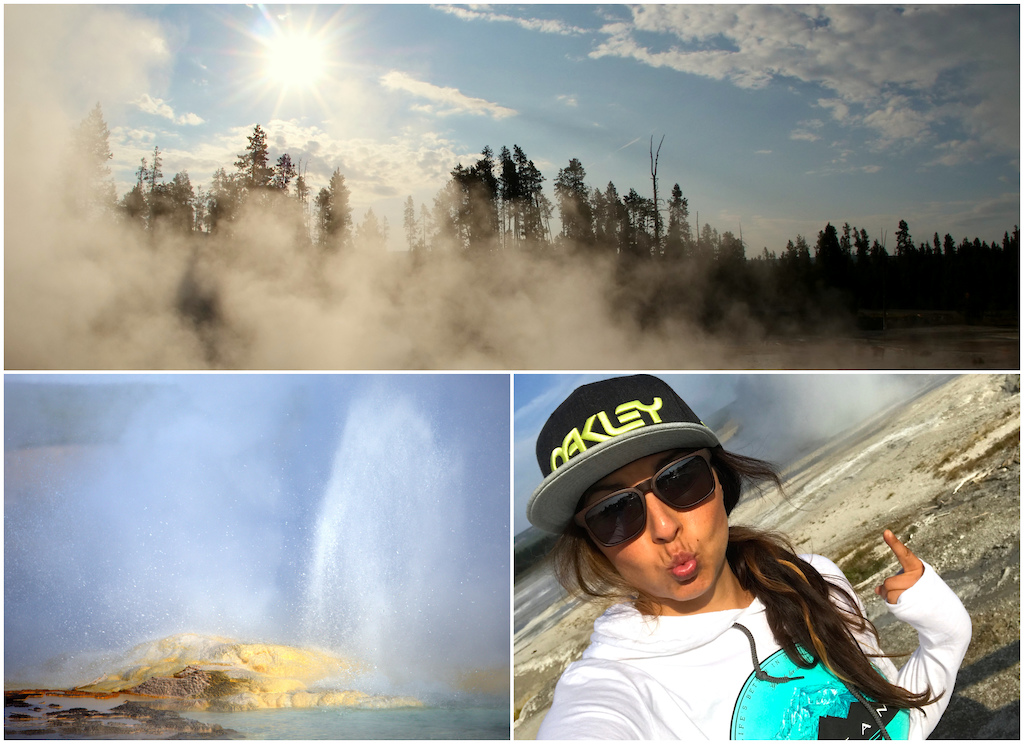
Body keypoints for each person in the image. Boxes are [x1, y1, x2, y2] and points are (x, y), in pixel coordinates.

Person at [526, 374, 971, 740]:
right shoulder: (619, 684)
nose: (664, 528)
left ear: (720, 480)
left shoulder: (811, 579)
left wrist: (946, 632)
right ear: (593, 545)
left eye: (680, 479)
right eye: (615, 512)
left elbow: (892, 726)